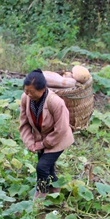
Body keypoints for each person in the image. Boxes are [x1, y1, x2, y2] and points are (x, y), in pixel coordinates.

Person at [19, 69, 74, 199]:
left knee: (42, 167)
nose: (28, 94)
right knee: (48, 169)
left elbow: (61, 129)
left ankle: (41, 195)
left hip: (58, 139)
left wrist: (44, 144)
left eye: (32, 92)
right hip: (41, 139)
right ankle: (55, 191)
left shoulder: (56, 102)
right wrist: (30, 143)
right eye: (26, 91)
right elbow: (24, 123)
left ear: (43, 89)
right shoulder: (25, 98)